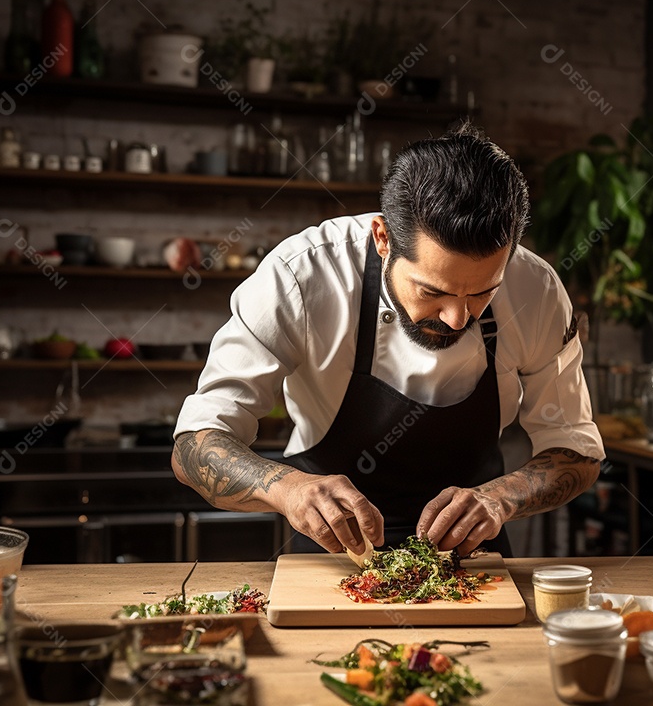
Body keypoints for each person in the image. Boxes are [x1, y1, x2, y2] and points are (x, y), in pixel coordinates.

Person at [172, 124, 603, 557]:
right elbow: (196, 442)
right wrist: (286, 488)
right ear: (383, 240)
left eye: (481, 294)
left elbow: (576, 451)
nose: (456, 319)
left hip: (473, 553)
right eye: (432, 292)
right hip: (331, 554)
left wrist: (501, 497)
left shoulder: (537, 290)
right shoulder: (301, 277)